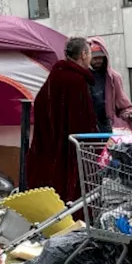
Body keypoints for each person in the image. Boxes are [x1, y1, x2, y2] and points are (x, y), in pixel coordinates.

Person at [25, 37, 98, 202]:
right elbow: (82, 119)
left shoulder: (55, 75)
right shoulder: (76, 81)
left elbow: (41, 103)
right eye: (90, 54)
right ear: (84, 54)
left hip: (50, 143)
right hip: (71, 147)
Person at [87, 37, 132, 133]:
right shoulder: (83, 77)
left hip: (108, 127)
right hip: (88, 126)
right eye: (94, 58)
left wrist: (128, 114)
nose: (98, 61)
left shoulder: (113, 77)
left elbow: (123, 104)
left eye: (100, 57)